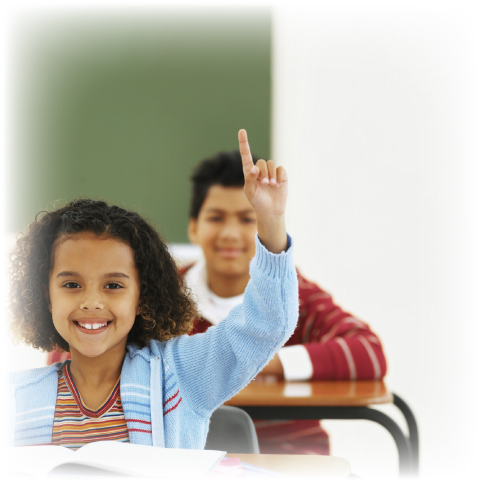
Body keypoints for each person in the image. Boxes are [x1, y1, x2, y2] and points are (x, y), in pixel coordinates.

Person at [7, 130, 299, 450]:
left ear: (141, 296)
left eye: (114, 285)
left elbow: (267, 324)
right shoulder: (17, 397)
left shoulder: (179, 375)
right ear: (44, 294)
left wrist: (271, 222)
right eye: (72, 285)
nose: (91, 302)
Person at [184, 150, 387, 455]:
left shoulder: (292, 291)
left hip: (288, 452)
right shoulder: (162, 292)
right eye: (216, 218)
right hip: (188, 455)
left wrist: (263, 360)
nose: (230, 233)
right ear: (194, 228)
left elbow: (368, 353)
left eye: (246, 218)